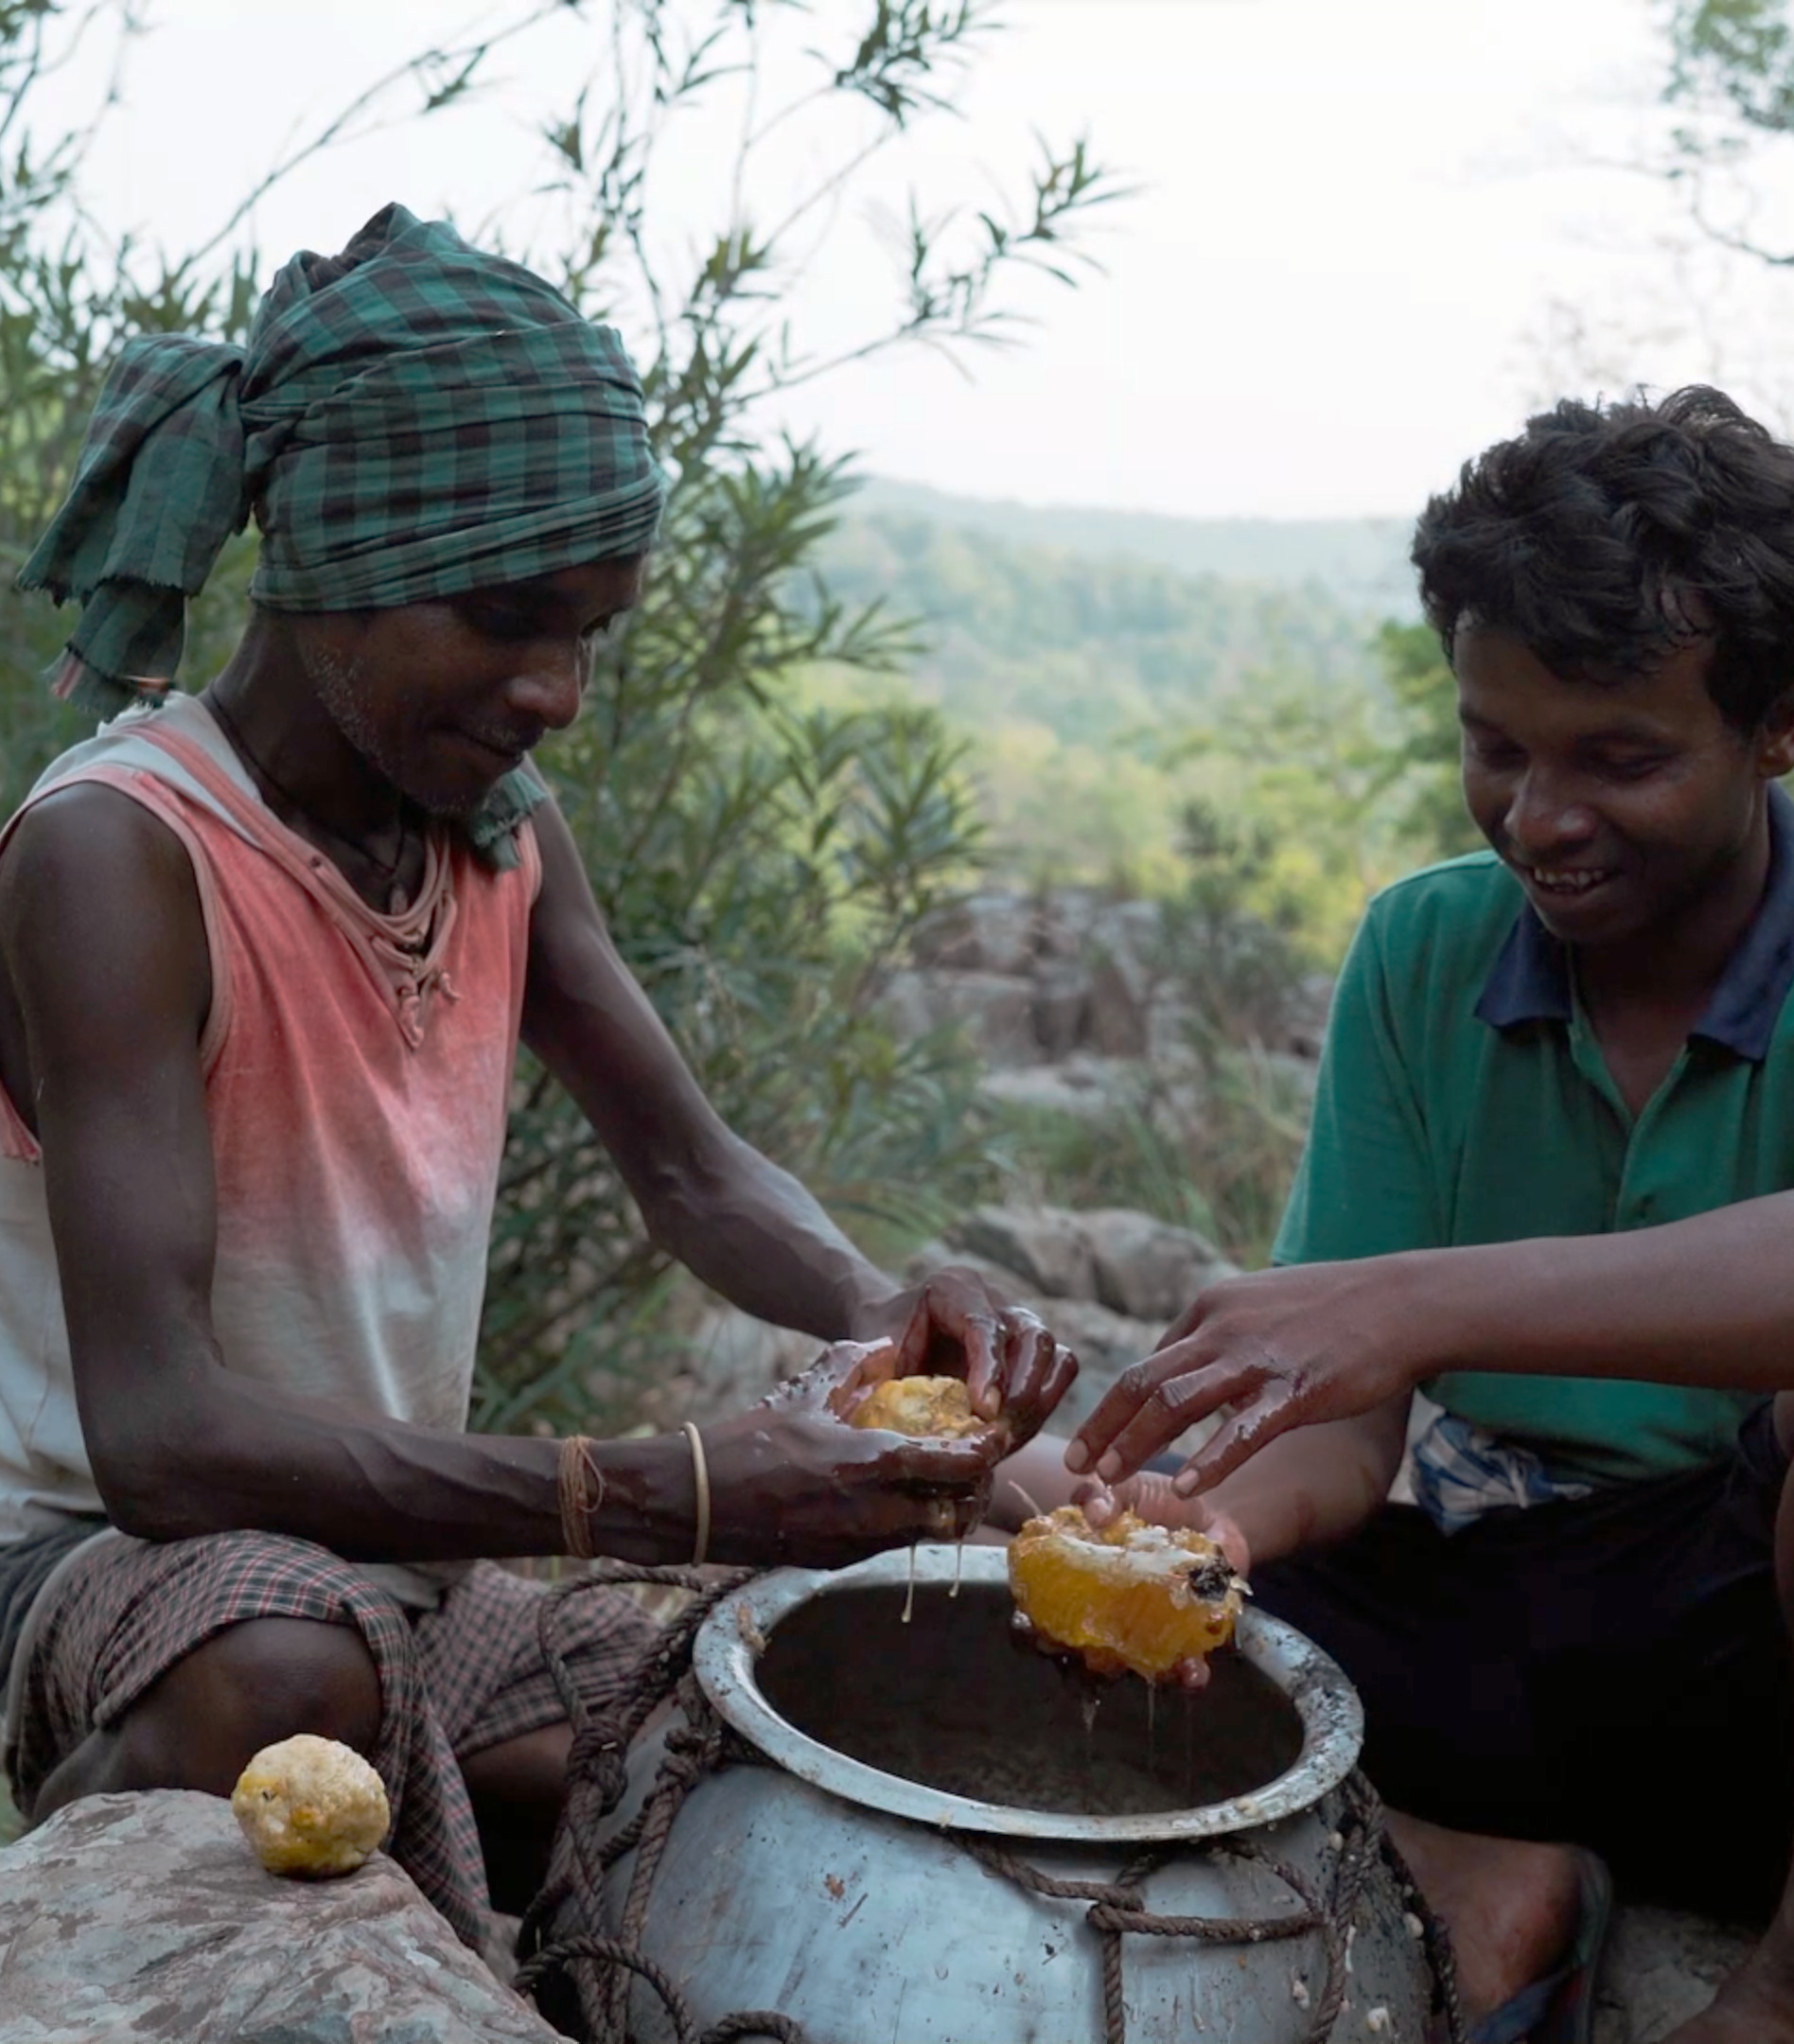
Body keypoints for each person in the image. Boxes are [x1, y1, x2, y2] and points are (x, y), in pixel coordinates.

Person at [0, 203, 1071, 1949]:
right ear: (335, 560)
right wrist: (675, 1490)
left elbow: (698, 1177)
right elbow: (162, 1443)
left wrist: (894, 1321)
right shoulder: (120, 859)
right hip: (112, 1571)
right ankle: (57, 1919)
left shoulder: (494, 838)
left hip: (408, 1574)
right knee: (287, 1664)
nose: (558, 692)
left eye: (593, 630)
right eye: (507, 620)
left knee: (820, 1714)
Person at [1003, 387, 1794, 2044]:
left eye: (1619, 759)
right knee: (1016, 1501)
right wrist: (1217, 1535)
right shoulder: (1425, 952)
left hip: (1768, 1679)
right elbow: (1337, 1445)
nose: (1539, 819)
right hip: (1472, 1632)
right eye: (1498, 745)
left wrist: (1425, 1303)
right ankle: (1475, 1868)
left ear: (1781, 720)